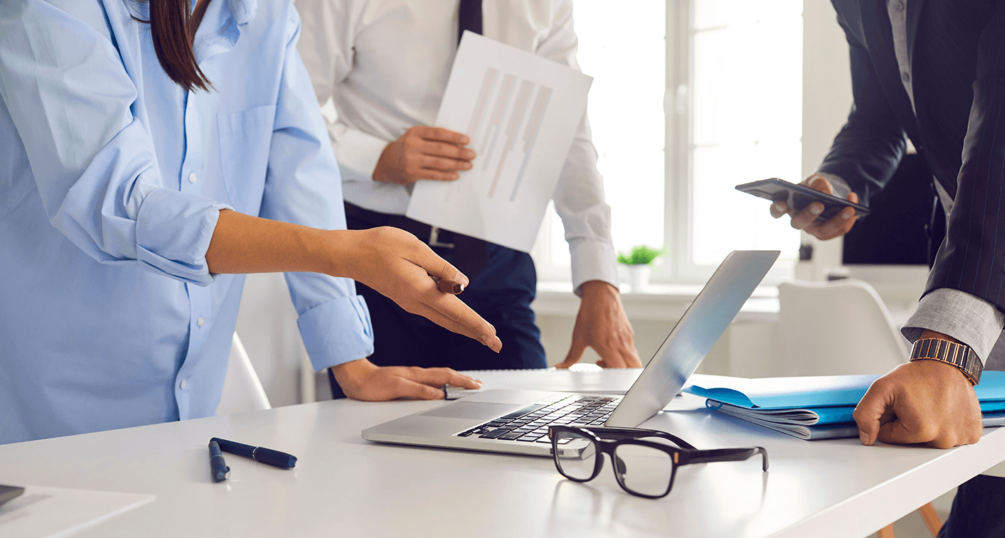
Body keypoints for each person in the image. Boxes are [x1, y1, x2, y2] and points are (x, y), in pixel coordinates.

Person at [0, 0, 503, 445]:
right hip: (55, 416)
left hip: (192, 411)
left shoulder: (267, 13)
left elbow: (301, 175)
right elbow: (118, 198)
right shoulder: (50, 6)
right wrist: (340, 252)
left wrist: (350, 362)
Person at [769, 1, 1005, 538]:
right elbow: (881, 113)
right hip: (984, 271)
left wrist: (949, 346)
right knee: (982, 529)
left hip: (989, 260)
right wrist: (839, 179)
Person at [296, 0, 642, 398]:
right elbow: (294, 116)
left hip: (495, 256)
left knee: (527, 436)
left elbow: (568, 132)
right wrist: (375, 157)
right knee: (378, 443)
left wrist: (598, 279)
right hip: (379, 260)